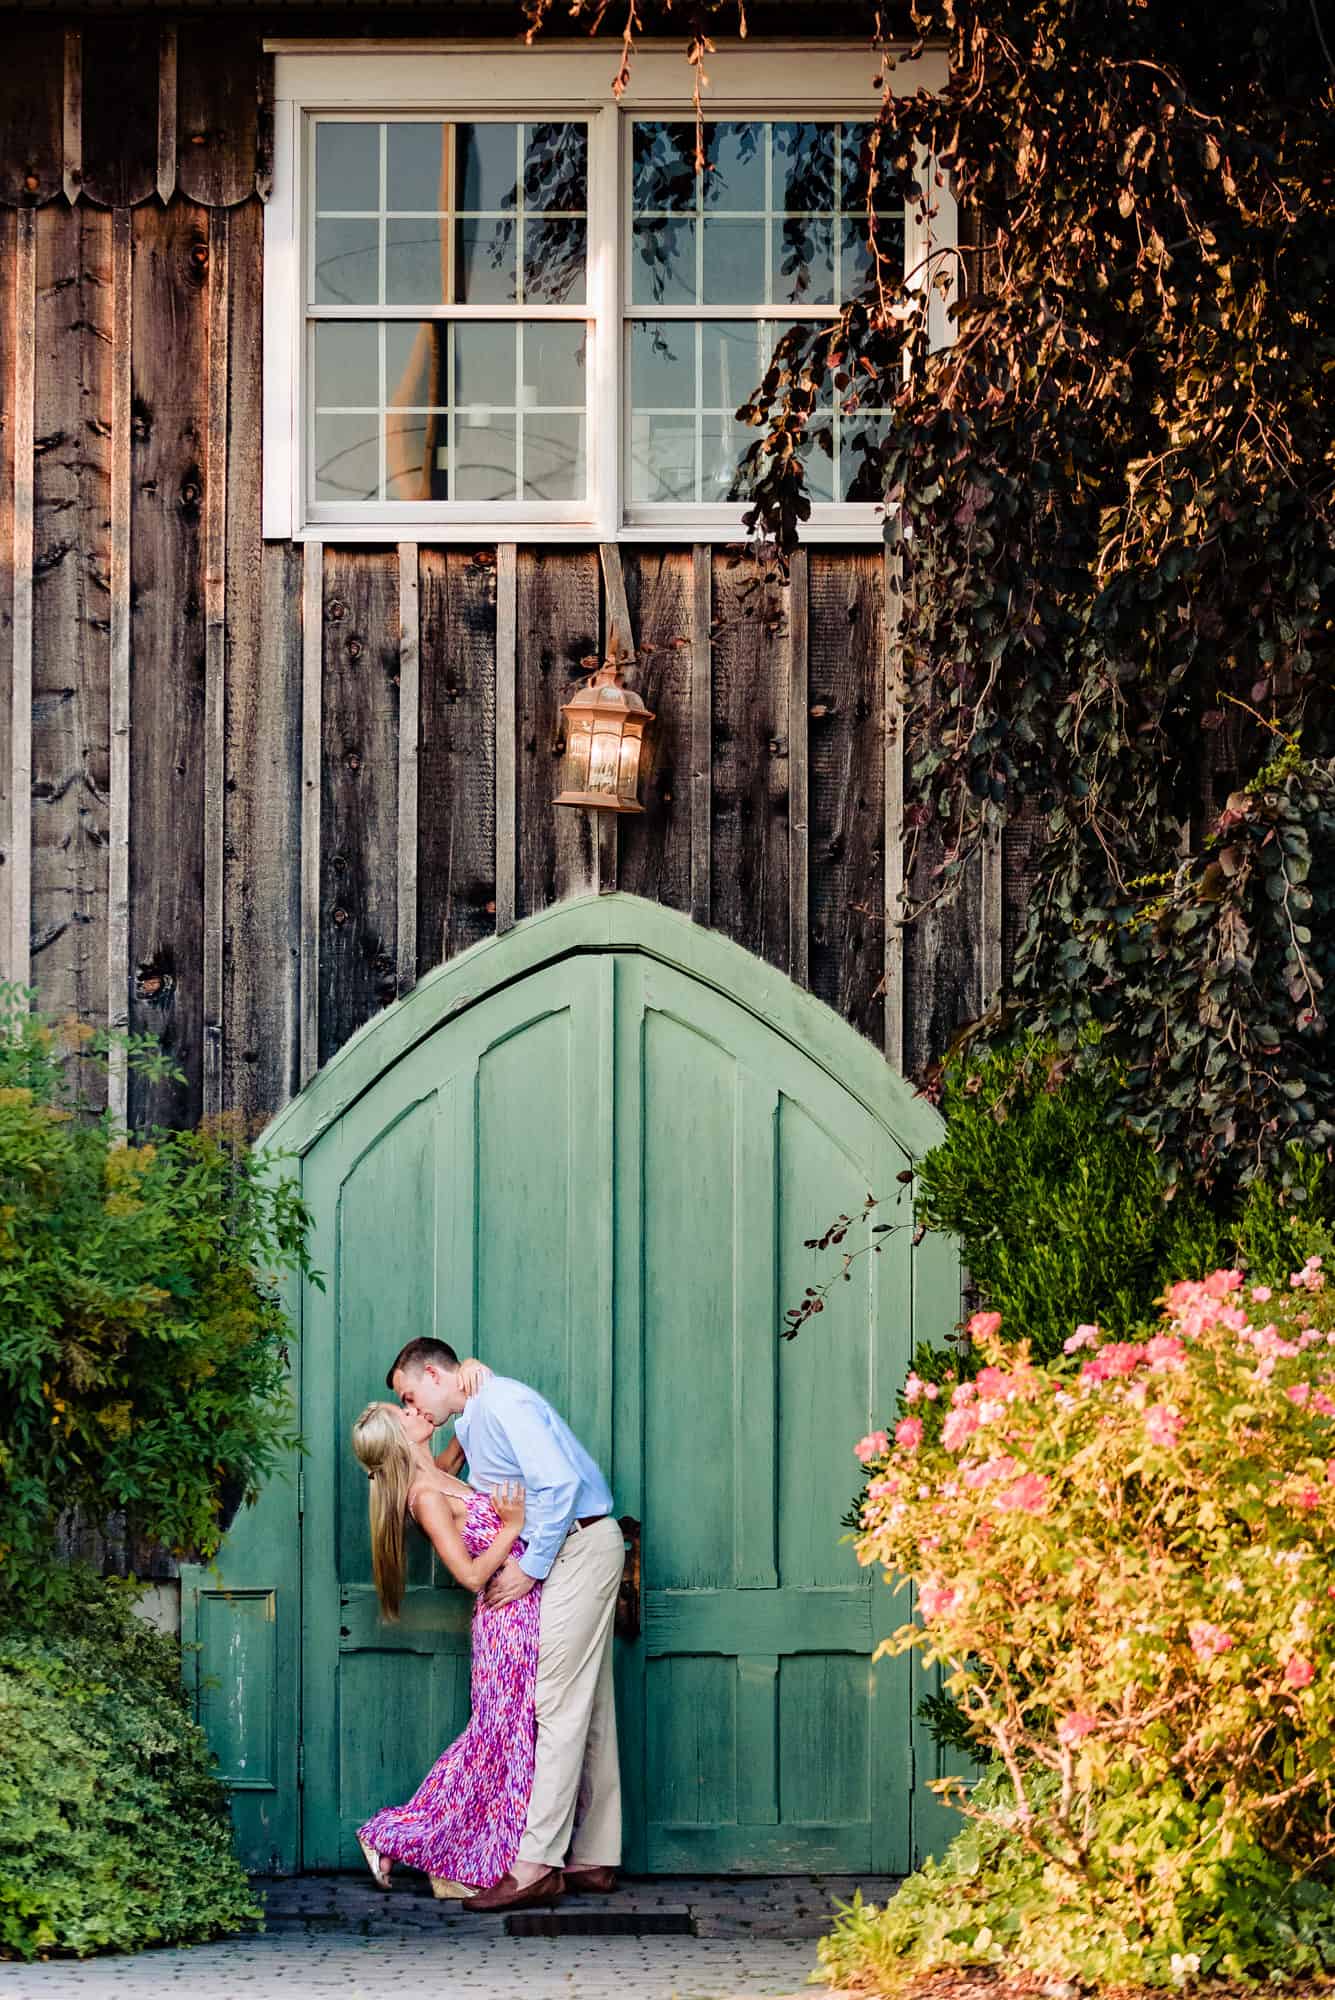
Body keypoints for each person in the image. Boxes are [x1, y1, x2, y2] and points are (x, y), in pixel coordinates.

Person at [389, 1336, 624, 1914]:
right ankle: (594, 1857)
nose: (413, 1407)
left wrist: (529, 1564)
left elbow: (562, 1485)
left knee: (553, 1702)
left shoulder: (502, 1404)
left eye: (409, 1393)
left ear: (429, 1372)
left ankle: (536, 1864)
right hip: (567, 1549)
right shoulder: (472, 1417)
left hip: (576, 1547)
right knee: (587, 1704)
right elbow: (424, 1474)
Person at [350, 1398, 535, 1897]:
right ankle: (394, 1834)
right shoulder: (424, 1496)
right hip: (504, 1623)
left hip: (524, 1614)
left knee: (507, 1742)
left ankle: (451, 1854)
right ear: (400, 1438)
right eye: (405, 1411)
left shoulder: (437, 1469)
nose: (416, 1410)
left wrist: (470, 1389)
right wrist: (513, 1526)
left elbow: (460, 1420)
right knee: (496, 1740)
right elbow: (473, 1576)